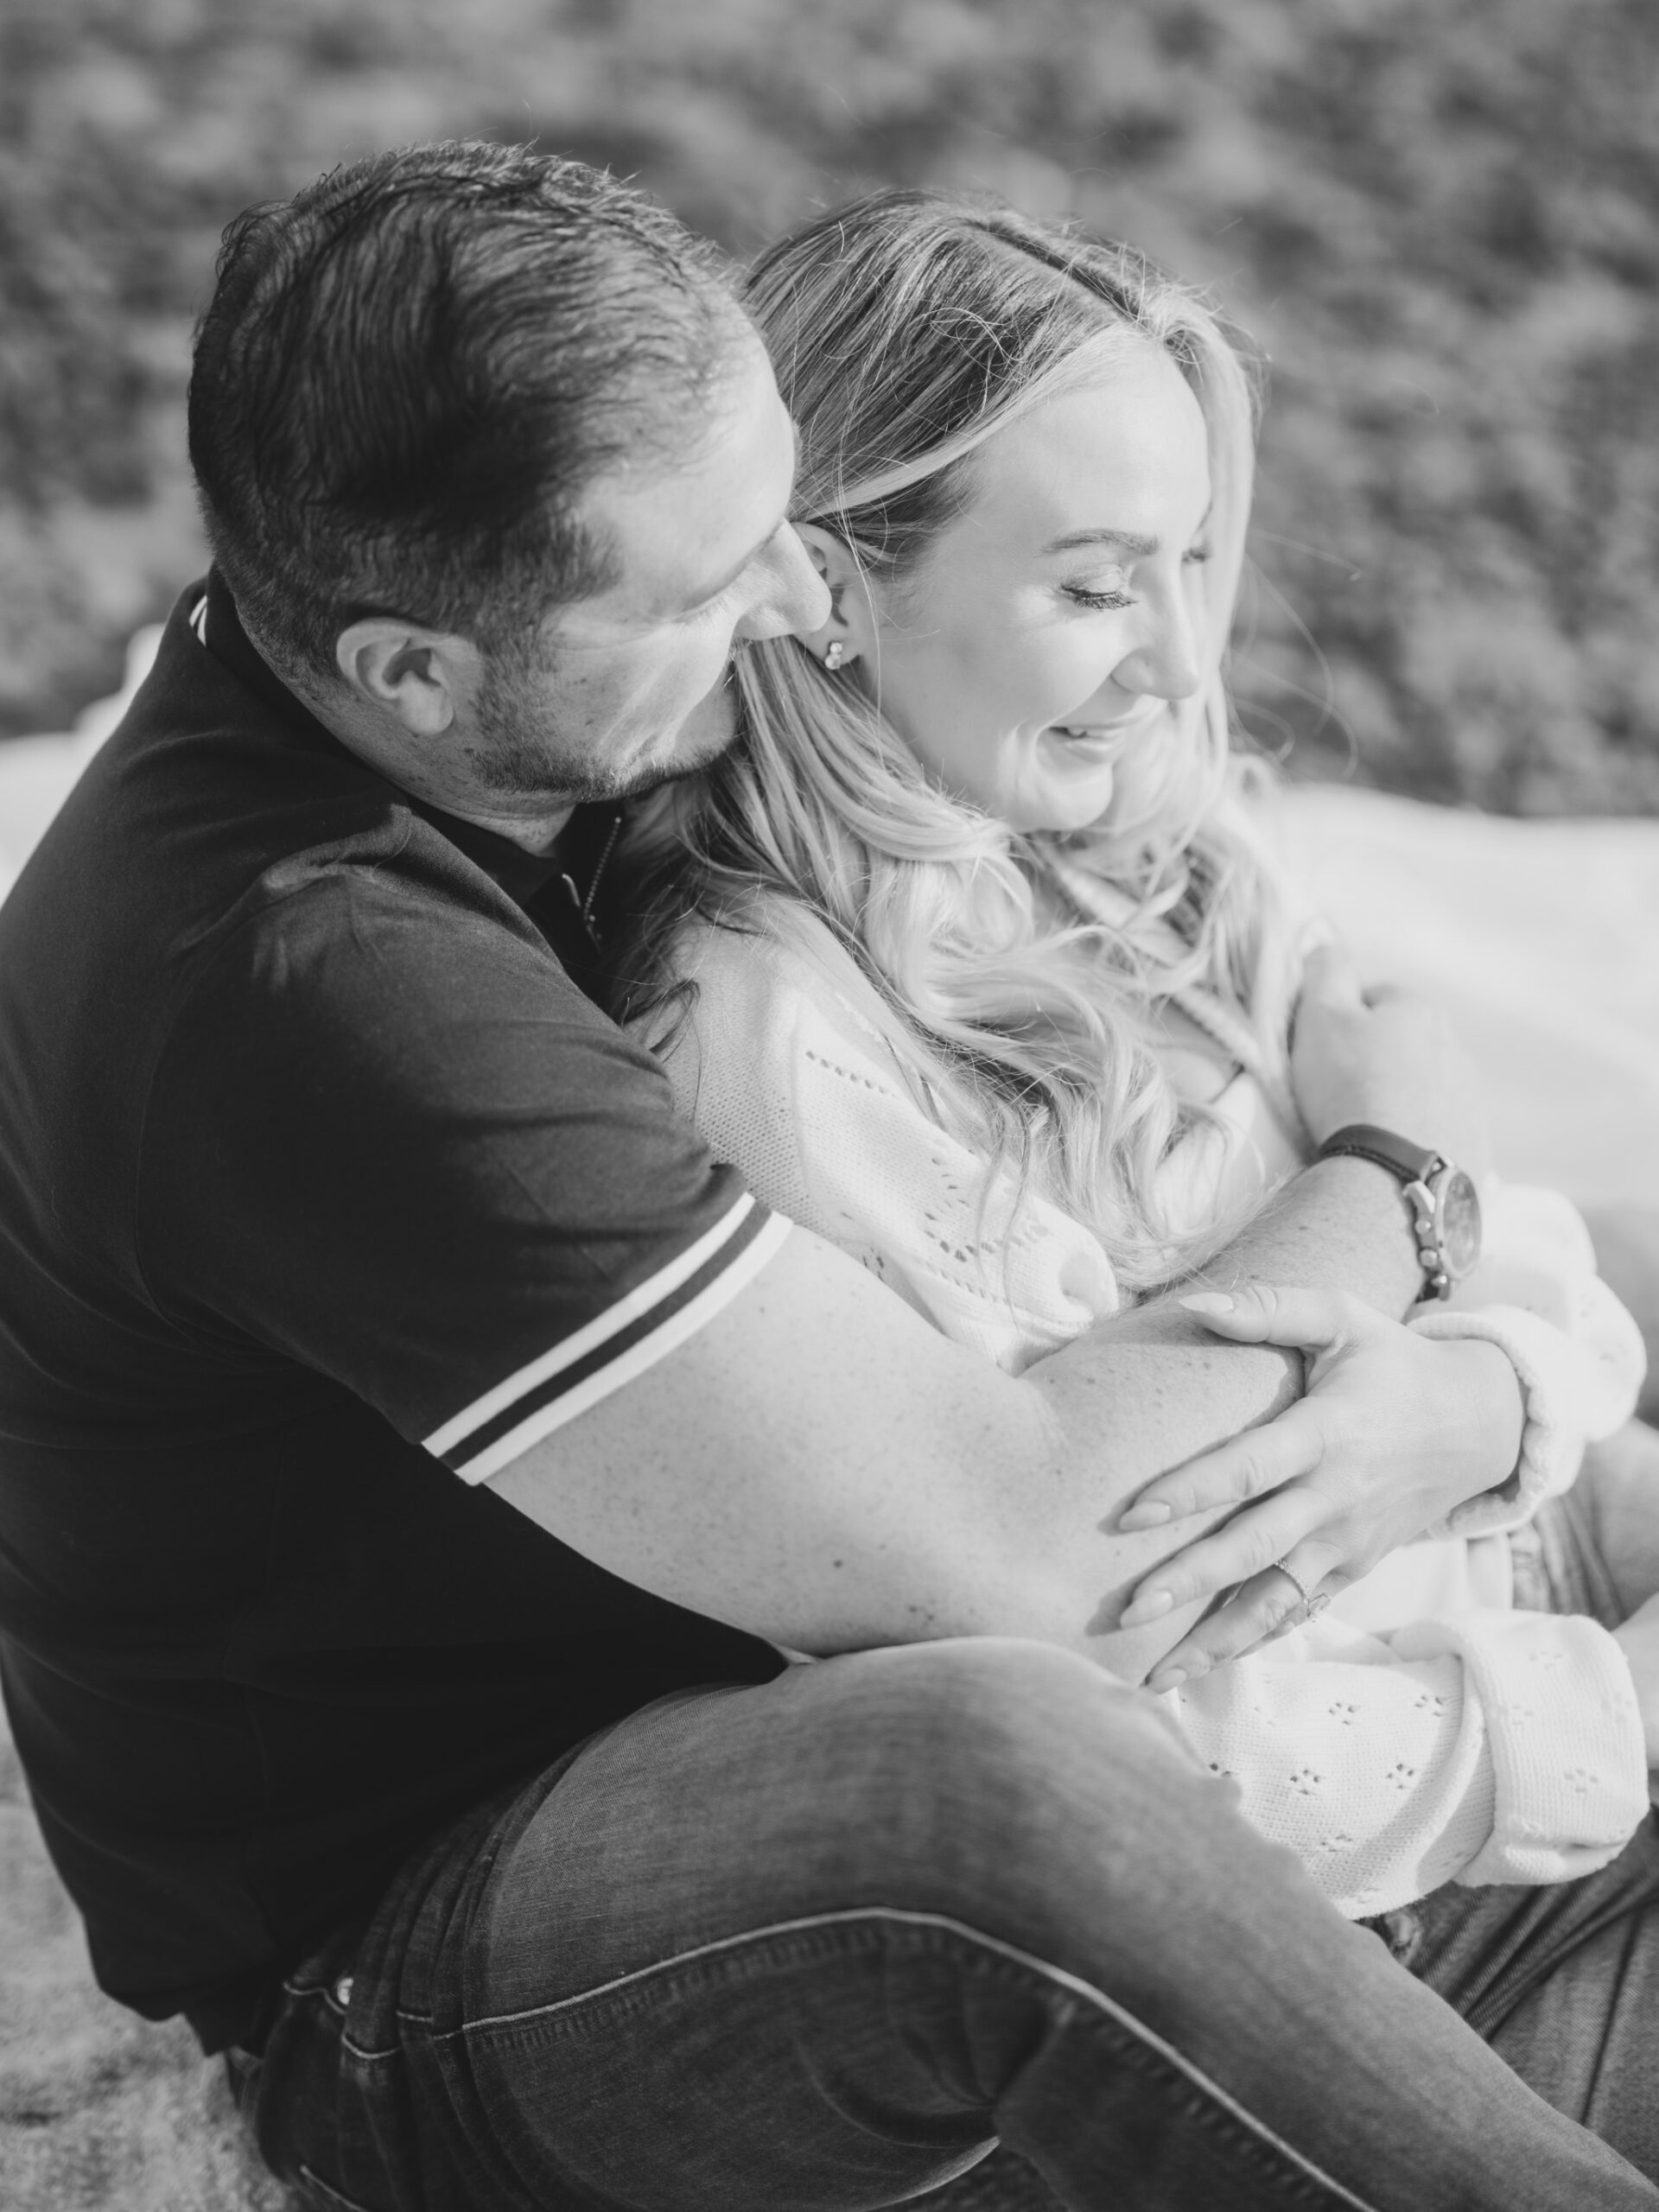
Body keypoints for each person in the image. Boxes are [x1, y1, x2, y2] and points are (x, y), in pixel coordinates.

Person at [0, 139, 1654, 2212]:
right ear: (410, 668)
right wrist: (1398, 1167)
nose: (799, 604)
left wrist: (1476, 1385)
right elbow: (1025, 1548)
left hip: (778, 1679)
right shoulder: (331, 989)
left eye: (785, 516)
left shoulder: (431, 689)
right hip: (432, 1953)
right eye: (711, 589)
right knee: (991, 1775)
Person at [608, 186, 1655, 1920]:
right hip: (1383, 1867)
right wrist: (1615, 1701)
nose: (1179, 660)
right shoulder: (782, 1051)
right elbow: (1126, 1715)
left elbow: (1512, 1233)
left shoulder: (1148, 845)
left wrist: (1482, 1399)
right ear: (837, 589)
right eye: (1095, 585)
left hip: (1514, 1548)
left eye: (1190, 564)